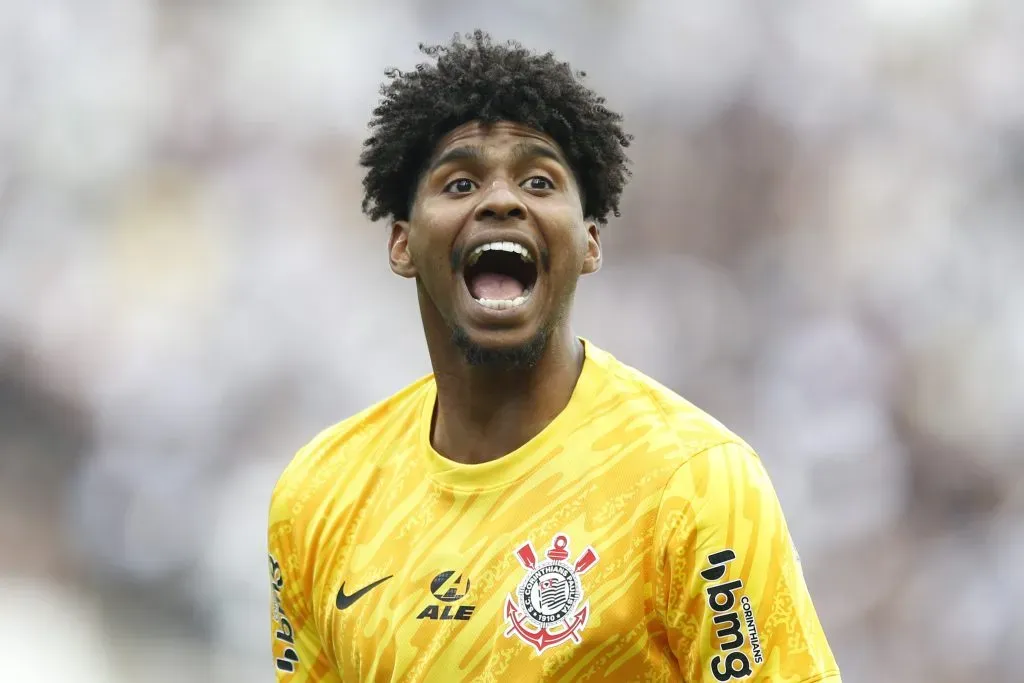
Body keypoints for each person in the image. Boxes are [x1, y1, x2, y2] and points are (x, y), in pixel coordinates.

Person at [268, 30, 841, 682]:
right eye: (459, 182)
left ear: (590, 242)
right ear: (402, 243)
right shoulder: (320, 494)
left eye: (540, 180)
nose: (503, 199)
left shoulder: (696, 484)